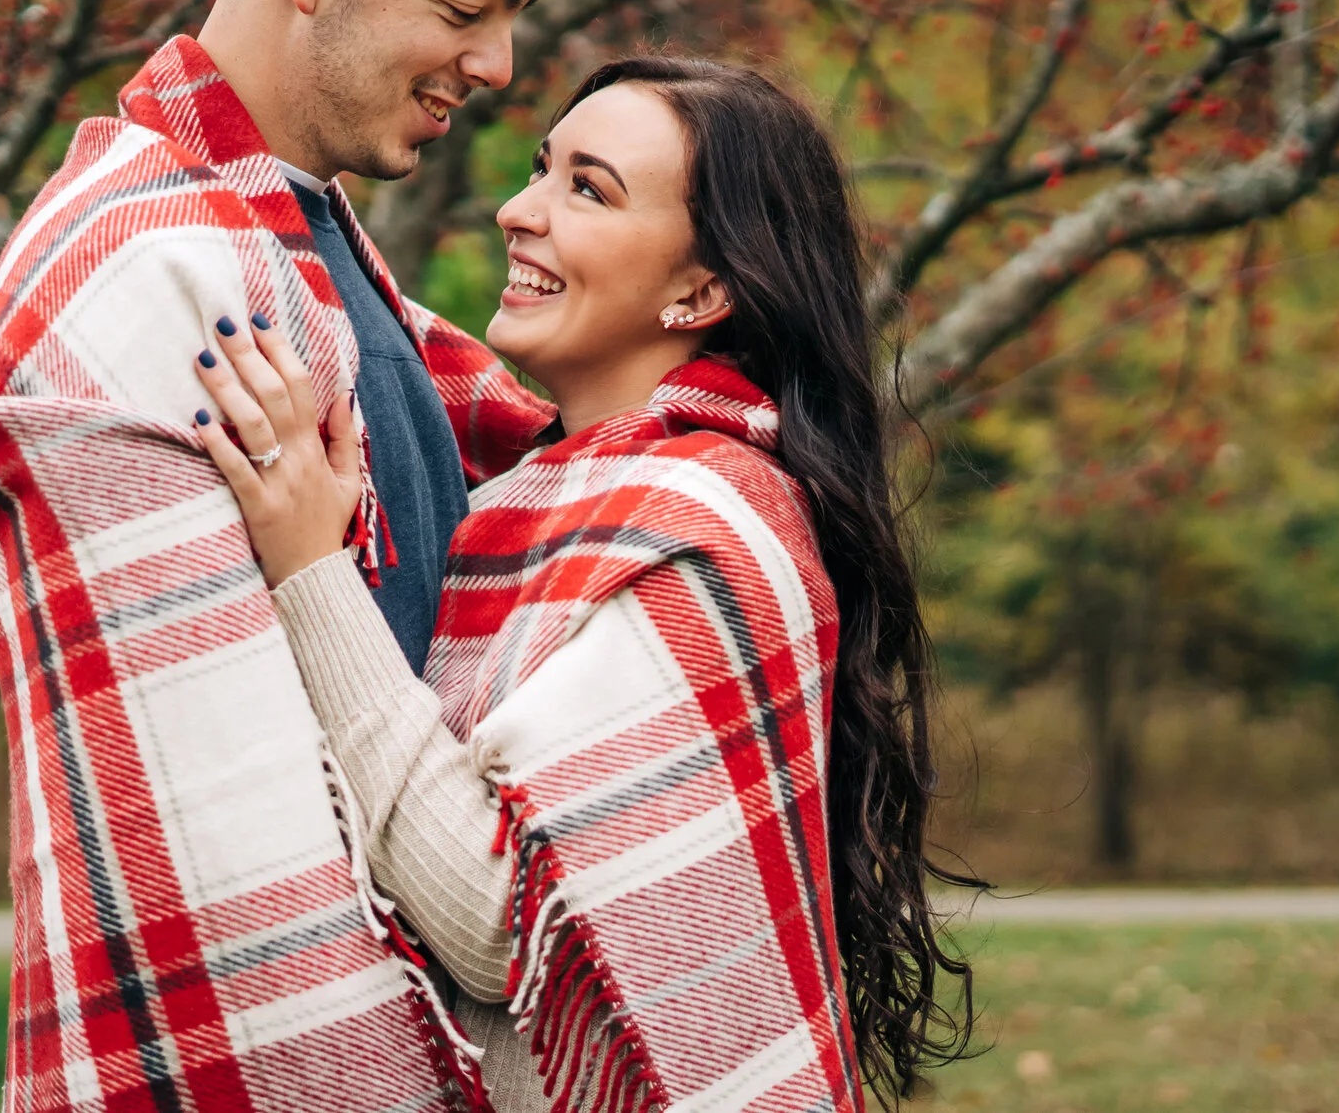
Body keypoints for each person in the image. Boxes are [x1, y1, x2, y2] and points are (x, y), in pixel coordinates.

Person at [0, 0, 560, 1113]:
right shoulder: (153, 275)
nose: (497, 64)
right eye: (467, 7)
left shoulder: (305, 251)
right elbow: (208, 814)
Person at [188, 59, 971, 1111]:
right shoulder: (525, 498)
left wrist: (311, 571)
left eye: (586, 189)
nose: (517, 211)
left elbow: (496, 918)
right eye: (537, 170)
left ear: (701, 290)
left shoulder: (705, 530)